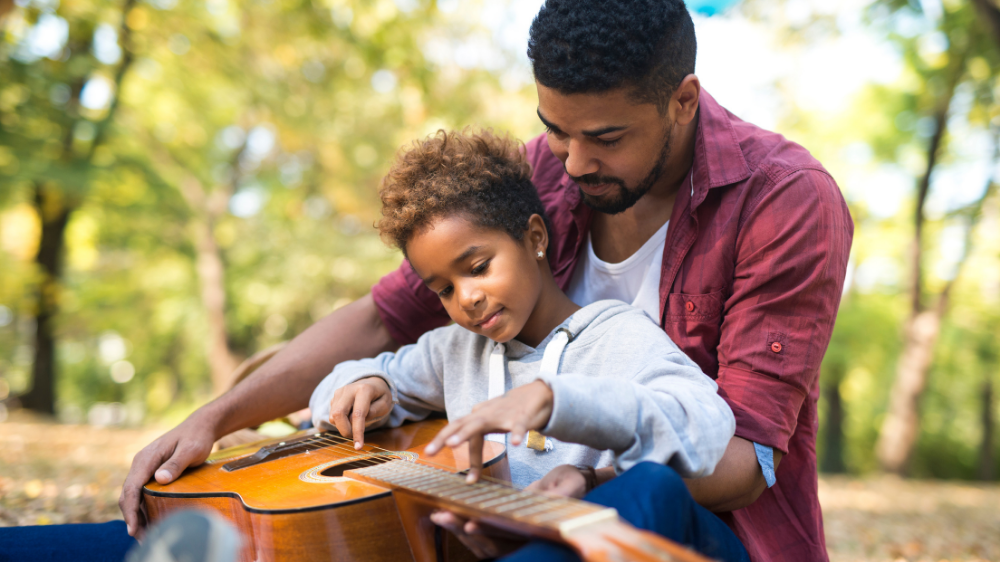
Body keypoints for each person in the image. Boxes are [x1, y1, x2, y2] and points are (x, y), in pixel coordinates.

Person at [115, 1, 852, 561]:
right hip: (515, 521)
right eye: (556, 130)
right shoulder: (540, 176)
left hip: (703, 532)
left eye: (605, 138)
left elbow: (742, 462)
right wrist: (214, 419)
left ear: (682, 100)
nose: (572, 163)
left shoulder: (781, 201)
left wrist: (579, 482)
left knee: (646, 488)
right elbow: (383, 322)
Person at [308, 128, 735, 493]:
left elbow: (707, 424)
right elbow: (338, 389)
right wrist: (364, 385)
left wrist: (555, 402)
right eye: (443, 290)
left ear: (534, 237)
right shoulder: (453, 353)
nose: (467, 298)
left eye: (478, 268)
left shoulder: (617, 337)